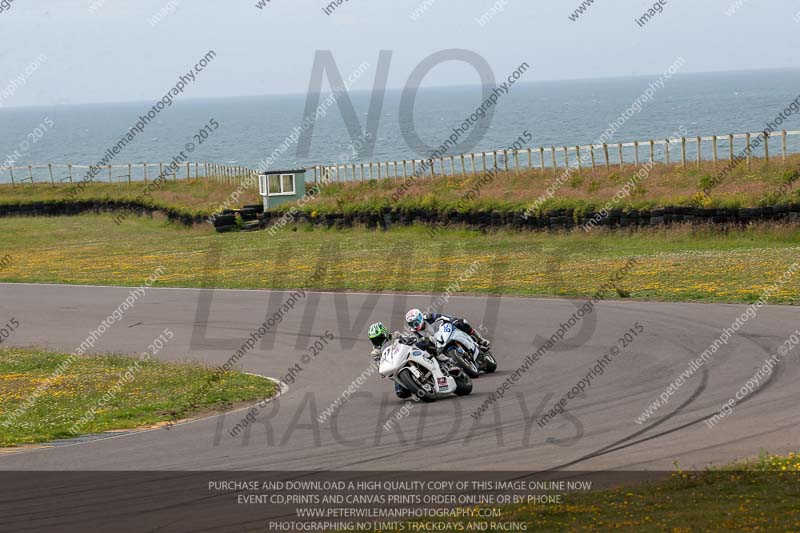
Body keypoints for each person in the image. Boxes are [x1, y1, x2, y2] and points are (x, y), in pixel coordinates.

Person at [368, 322, 438, 399]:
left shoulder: (395, 335)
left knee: (425, 343)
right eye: (373, 339)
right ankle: (417, 385)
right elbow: (379, 364)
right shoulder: (375, 352)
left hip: (406, 353)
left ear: (384, 333)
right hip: (396, 364)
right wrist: (380, 368)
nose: (376, 341)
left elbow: (406, 338)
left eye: (378, 338)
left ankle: (440, 357)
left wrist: (408, 339)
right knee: (401, 393)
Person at [404, 308, 490, 348]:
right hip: (435, 344)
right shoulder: (414, 333)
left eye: (416, 321)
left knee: (462, 322)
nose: (415, 325)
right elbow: (417, 342)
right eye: (412, 324)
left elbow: (443, 317)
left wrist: (452, 320)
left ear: (420, 317)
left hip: (443, 332)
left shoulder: (429, 317)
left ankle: (480, 339)